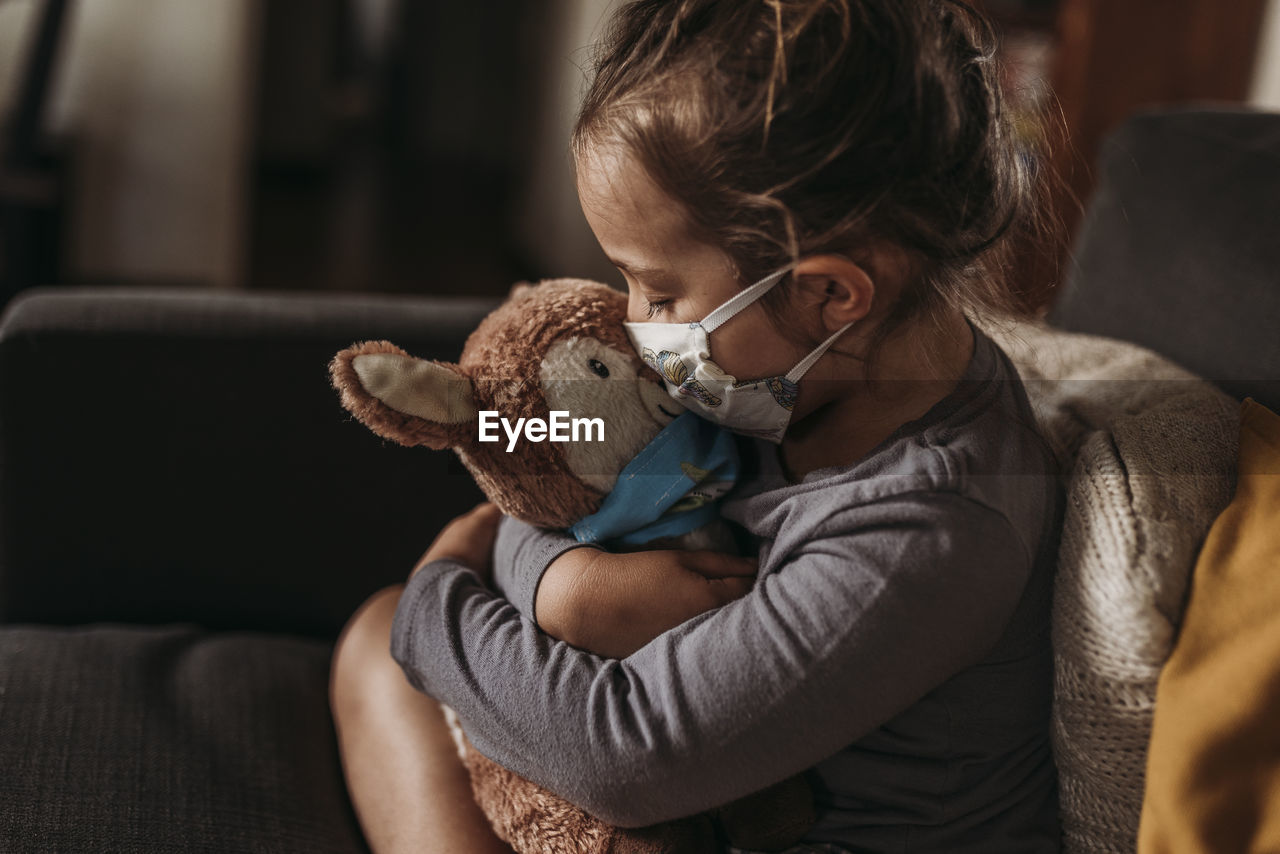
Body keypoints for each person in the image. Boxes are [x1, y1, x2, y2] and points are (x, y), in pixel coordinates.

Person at [330, 1, 1064, 851]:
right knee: (374, 639)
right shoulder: (787, 367)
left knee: (396, 629)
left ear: (829, 292)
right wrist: (560, 585)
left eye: (660, 291)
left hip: (745, 811)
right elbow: (548, 483)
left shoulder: (934, 524)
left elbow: (627, 760)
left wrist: (441, 596)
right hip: (703, 791)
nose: (638, 329)